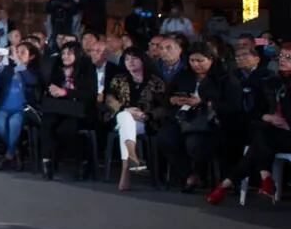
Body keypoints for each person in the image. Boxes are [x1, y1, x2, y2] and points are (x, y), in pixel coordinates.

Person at [208, 43, 291, 205]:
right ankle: (265, 180)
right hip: (277, 132)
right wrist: (268, 116)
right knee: (261, 132)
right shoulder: (274, 81)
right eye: (281, 56)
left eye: (288, 57)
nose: (282, 60)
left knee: (259, 138)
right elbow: (257, 109)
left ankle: (229, 183)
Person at [157, 42, 223, 193]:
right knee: (165, 139)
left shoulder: (219, 77)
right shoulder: (184, 74)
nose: (196, 65)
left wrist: (202, 101)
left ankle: (200, 174)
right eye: (192, 61)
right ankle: (189, 175)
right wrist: (173, 100)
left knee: (194, 144)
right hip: (182, 116)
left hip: (205, 120)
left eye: (200, 61)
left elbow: (226, 101)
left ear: (211, 59)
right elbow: (166, 96)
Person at [105, 47, 161, 190]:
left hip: (144, 121)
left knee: (127, 123)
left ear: (143, 60)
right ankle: (131, 159)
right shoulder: (119, 79)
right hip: (120, 118)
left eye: (134, 58)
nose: (130, 62)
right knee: (125, 117)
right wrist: (124, 109)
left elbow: (163, 106)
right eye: (127, 59)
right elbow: (109, 99)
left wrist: (146, 115)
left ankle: (128, 165)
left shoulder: (155, 81)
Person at [39, 42, 94, 180]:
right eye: (63, 53)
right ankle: (46, 162)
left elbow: (89, 94)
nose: (65, 56)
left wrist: (66, 92)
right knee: (47, 124)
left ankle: (82, 162)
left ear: (77, 54)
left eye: (69, 53)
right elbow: (51, 86)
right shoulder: (57, 67)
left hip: (78, 109)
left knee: (69, 128)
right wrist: (52, 90)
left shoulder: (87, 68)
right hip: (57, 107)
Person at [0, 42, 41, 171]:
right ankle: (16, 150)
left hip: (23, 108)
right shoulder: (8, 69)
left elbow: (32, 81)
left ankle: (9, 155)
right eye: (17, 52)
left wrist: (19, 64)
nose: (18, 55)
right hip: (4, 107)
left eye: (23, 52)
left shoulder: (33, 70)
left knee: (15, 122)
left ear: (31, 57)